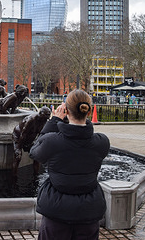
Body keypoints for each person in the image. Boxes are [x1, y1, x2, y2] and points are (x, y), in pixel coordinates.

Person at [29, 89, 110, 240]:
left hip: (56, 211)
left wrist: (54, 122)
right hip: (89, 211)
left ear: (66, 110)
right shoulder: (102, 142)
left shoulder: (53, 141)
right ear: (88, 111)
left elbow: (34, 152)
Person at [12, 106, 51, 176]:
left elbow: (40, 134)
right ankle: (14, 177)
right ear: (40, 114)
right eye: (46, 116)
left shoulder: (44, 120)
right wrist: (18, 148)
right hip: (18, 137)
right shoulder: (31, 120)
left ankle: (36, 176)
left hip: (29, 139)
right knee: (18, 157)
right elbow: (23, 134)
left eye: (48, 116)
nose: (47, 118)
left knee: (37, 156)